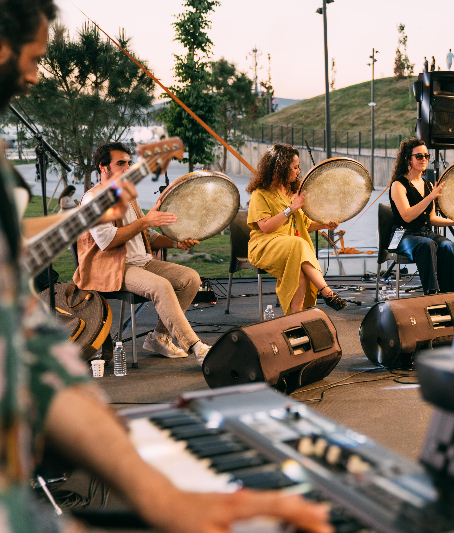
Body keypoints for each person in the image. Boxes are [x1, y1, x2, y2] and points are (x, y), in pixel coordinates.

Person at [0, 2, 333, 532]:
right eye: (33, 56)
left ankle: (164, 339)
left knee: (183, 278)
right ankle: (195, 347)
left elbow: (12, 257)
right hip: (110, 272)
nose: (35, 74)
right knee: (156, 284)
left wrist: (158, 494)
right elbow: (95, 246)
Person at [74, 142, 210, 362]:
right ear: (103, 167)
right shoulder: (94, 199)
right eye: (120, 163)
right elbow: (107, 241)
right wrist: (146, 221)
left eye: (129, 162)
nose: (127, 167)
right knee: (161, 286)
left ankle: (158, 337)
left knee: (190, 278)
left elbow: (146, 235)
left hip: (142, 262)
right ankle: (196, 347)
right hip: (112, 268)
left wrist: (176, 243)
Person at [247, 143, 347, 313]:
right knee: (299, 244)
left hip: (292, 248)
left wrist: (325, 224)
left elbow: (305, 224)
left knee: (299, 271)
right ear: (281, 169)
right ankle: (326, 291)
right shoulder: (260, 193)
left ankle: (296, 318)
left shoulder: (294, 192)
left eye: (298, 167)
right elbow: (265, 227)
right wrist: (291, 208)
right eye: (295, 167)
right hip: (265, 245)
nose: (299, 171)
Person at [389, 138, 454, 295]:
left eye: (426, 156)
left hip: (425, 233)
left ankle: (452, 296)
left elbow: (431, 218)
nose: (424, 159)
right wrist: (430, 197)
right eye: (419, 156)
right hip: (402, 235)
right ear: (408, 159)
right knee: (427, 245)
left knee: (448, 246)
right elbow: (407, 216)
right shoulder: (398, 185)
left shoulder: (428, 185)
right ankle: (431, 294)